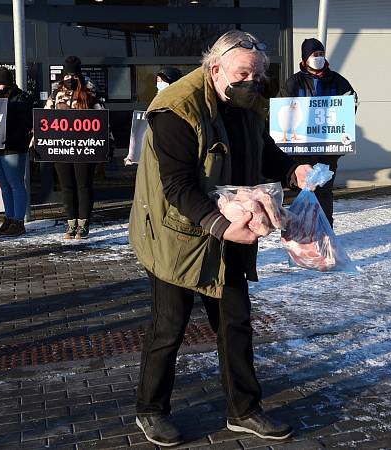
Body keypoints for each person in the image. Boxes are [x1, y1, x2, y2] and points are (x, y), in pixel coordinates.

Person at [128, 30, 312, 447]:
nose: (251, 81)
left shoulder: (244, 102)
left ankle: (244, 411)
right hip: (175, 234)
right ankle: (151, 410)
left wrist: (292, 171)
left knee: (235, 323)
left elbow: (262, 150)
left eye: (256, 74)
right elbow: (177, 186)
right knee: (169, 327)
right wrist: (222, 226)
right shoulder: (176, 109)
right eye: (242, 73)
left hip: (229, 226)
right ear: (215, 70)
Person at [279, 38, 357, 227]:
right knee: (305, 192)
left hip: (328, 150)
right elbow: (281, 108)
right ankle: (306, 232)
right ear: (305, 59)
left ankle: (325, 232)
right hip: (301, 152)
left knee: (324, 192)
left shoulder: (337, 80)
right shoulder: (294, 82)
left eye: (321, 54)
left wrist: (352, 103)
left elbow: (349, 106)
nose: (319, 58)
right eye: (315, 55)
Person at [44, 56, 103, 240]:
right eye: (67, 75)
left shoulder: (90, 92)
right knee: (67, 186)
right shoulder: (56, 93)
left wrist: (108, 143)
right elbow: (44, 119)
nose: (70, 78)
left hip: (84, 147)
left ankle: (84, 224)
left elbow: (102, 119)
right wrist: (36, 142)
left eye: (74, 75)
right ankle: (71, 223)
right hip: (61, 147)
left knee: (83, 185)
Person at [0, 66, 33, 237]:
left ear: (7, 84)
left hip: (13, 148)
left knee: (15, 184)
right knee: (4, 185)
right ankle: (9, 218)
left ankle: (18, 221)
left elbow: (25, 125)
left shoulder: (21, 99)